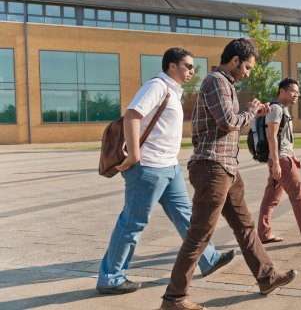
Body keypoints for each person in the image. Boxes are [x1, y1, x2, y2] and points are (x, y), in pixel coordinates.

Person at [161, 39, 296, 310]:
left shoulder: (227, 84)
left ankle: (266, 277)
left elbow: (229, 123)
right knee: (199, 234)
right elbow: (227, 121)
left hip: (226, 168)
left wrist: (253, 112)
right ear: (235, 60)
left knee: (245, 226)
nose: (248, 72)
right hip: (212, 167)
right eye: (247, 67)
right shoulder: (216, 81)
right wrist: (249, 111)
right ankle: (174, 299)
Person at [96, 48, 234, 295]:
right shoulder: (157, 86)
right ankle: (110, 277)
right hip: (148, 168)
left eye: (193, 67)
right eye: (188, 66)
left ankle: (208, 258)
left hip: (169, 167)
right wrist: (136, 155)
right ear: (172, 66)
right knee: (132, 222)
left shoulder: (173, 91)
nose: (192, 70)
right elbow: (131, 116)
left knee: (187, 217)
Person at [258, 78, 301, 245]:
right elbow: (272, 136)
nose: (296, 94)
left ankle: (263, 233)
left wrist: (293, 155)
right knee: (298, 195)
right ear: (282, 91)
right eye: (293, 91)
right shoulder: (276, 108)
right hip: (281, 159)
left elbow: (283, 137)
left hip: (282, 157)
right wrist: (276, 162)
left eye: (298, 92)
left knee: (271, 197)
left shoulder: (283, 109)